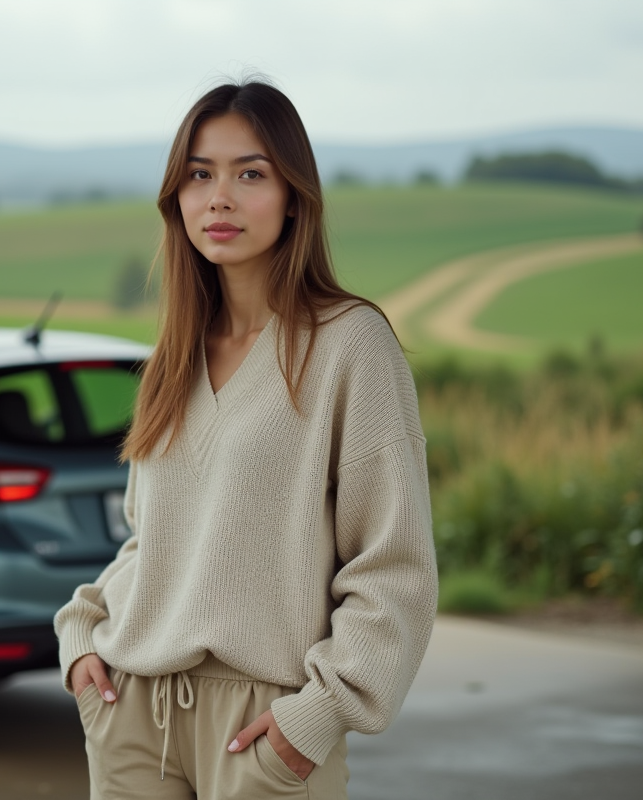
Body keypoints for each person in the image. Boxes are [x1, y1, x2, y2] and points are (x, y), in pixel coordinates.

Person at [53, 79, 438, 800]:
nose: (219, 198)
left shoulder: (351, 346)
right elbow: (152, 540)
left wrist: (317, 715)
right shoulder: (175, 352)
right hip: (132, 710)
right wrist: (82, 637)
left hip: (264, 728)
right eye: (199, 174)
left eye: (249, 174)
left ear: (294, 195)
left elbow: (395, 568)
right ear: (178, 198)